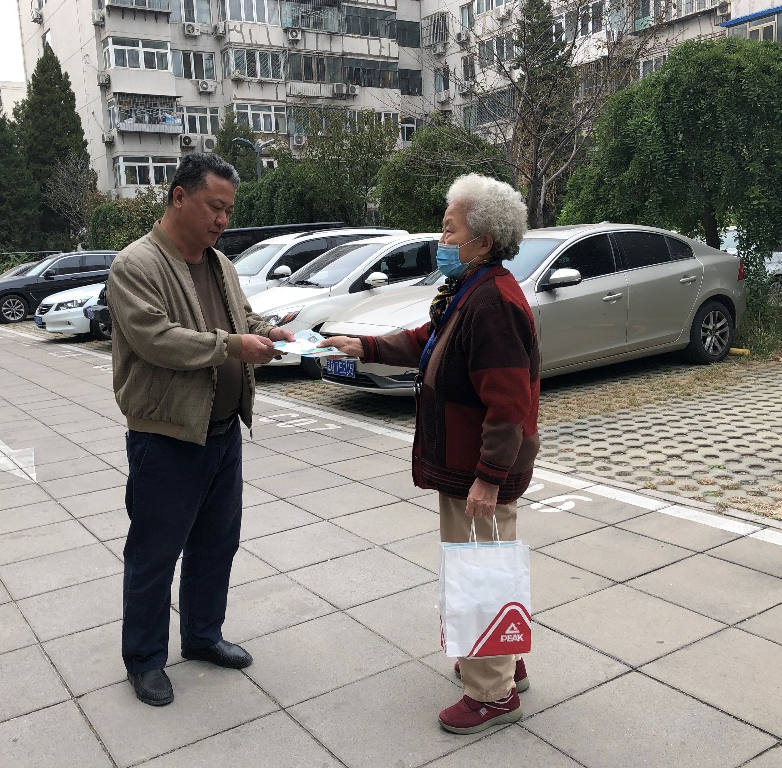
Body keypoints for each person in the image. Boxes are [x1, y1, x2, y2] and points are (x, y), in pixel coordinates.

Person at [320, 173, 539, 734]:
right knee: (481, 567)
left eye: (450, 229)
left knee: (480, 572)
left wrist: (489, 477)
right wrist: (365, 345)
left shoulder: (493, 303)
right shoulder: (470, 290)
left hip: (477, 473)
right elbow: (426, 340)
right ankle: (502, 664)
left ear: (482, 241)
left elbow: (509, 403)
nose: (441, 239)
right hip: (465, 467)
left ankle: (491, 694)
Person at [106, 153, 294, 707]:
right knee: (155, 553)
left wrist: (270, 333)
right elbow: (156, 339)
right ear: (179, 197)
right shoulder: (136, 265)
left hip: (222, 431)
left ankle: (203, 635)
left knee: (217, 544)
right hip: (166, 437)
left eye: (229, 210)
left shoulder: (220, 264)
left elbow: (241, 318)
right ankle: (144, 660)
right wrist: (234, 346)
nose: (222, 220)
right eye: (215, 206)